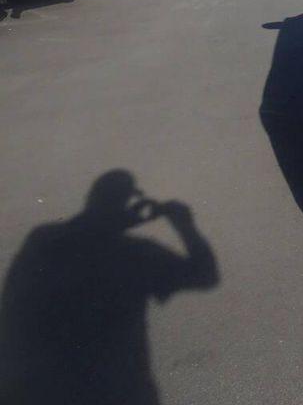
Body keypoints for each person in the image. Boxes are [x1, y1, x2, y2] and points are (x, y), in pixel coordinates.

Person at [0, 170, 218, 405]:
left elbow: (12, 309)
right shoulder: (135, 254)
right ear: (127, 205)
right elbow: (204, 275)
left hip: (42, 388)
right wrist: (183, 223)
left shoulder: (45, 240)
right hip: (118, 391)